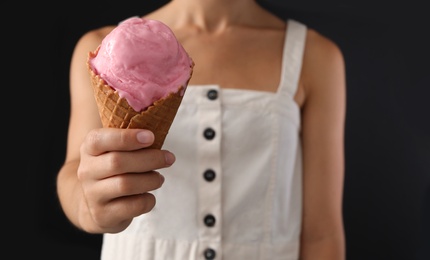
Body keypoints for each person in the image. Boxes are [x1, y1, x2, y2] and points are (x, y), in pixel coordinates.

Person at [56, 0, 346, 259]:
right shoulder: (103, 48)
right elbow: (75, 171)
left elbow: (322, 235)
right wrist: (88, 206)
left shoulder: (315, 55)